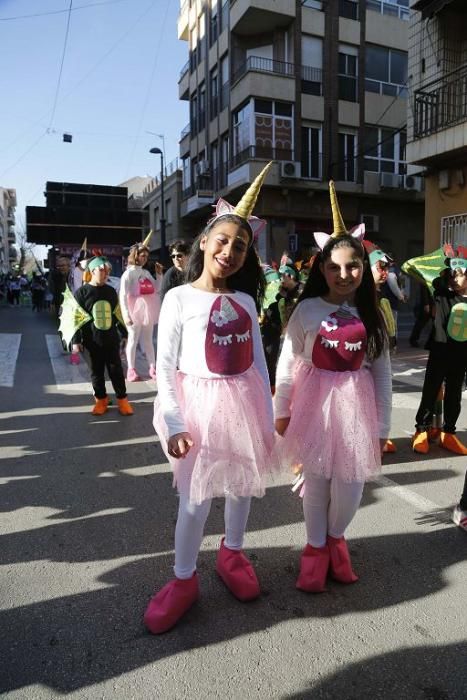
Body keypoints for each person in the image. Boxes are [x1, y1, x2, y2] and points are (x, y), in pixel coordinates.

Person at [144, 162, 277, 634]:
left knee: (242, 486)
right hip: (196, 409)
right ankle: (183, 579)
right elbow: (166, 369)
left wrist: (270, 415)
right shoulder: (179, 298)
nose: (230, 250)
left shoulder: (245, 302)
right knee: (195, 500)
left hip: (242, 405)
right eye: (222, 240)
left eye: (241, 246)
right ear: (204, 242)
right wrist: (175, 422)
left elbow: (258, 364)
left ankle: (233, 552)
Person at [274, 181, 391, 593]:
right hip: (315, 407)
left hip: (357, 410)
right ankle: (315, 548)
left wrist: (381, 429)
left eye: (353, 266)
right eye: (334, 267)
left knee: (351, 483)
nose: (344, 275)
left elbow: (381, 374)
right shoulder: (306, 310)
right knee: (319, 480)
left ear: (364, 266)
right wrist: (282, 408)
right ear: (321, 269)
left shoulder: (371, 313)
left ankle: (336, 537)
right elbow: (287, 364)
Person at [412, 245, 467, 455]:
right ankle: (421, 430)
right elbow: (411, 266)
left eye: (459, 274)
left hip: (461, 353)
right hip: (440, 350)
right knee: (431, 389)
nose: (454, 278)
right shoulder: (441, 291)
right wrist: (443, 258)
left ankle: (449, 433)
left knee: (454, 393)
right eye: (451, 273)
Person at [61, 256, 134, 416]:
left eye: (107, 270)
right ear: (92, 271)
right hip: (91, 341)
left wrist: (124, 333)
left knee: (116, 371)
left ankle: (122, 400)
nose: (106, 273)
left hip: (111, 339)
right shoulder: (82, 292)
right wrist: (76, 341)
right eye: (102, 270)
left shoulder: (110, 291)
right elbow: (76, 319)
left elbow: (117, 314)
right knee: (97, 372)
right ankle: (101, 400)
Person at [119, 234, 161, 381]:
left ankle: (153, 367)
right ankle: (131, 369)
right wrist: (126, 315)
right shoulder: (128, 274)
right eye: (142, 255)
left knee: (148, 340)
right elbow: (122, 295)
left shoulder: (146, 272)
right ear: (135, 255)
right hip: (133, 310)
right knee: (133, 339)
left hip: (147, 310)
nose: (144, 258)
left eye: (146, 256)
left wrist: (159, 275)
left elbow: (156, 288)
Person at [409, 281, 433, 348]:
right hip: (429, 303)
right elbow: (424, 289)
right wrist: (426, 303)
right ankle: (413, 339)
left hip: (434, 302)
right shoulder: (426, 276)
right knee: (421, 322)